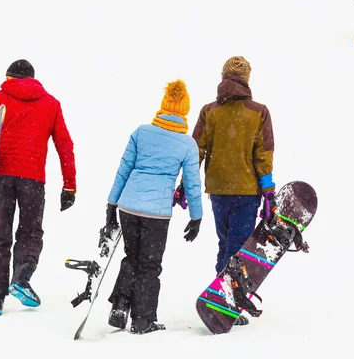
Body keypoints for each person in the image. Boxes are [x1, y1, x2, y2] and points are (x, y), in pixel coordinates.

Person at [178, 56, 276, 325]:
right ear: (246, 80)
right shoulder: (259, 112)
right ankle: (226, 302)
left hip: (219, 190)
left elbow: (195, 150)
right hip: (247, 191)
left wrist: (187, 184)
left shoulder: (210, 111)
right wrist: (269, 191)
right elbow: (263, 155)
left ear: (223, 78)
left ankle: (221, 297)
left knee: (226, 244)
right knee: (239, 249)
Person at [0, 59, 77, 316]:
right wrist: (69, 186)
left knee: (0, 236)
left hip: (1, 176)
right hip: (33, 180)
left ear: (11, 77)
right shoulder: (51, 103)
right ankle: (21, 277)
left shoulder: (2, 96)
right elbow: (64, 145)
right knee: (30, 233)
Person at [104, 79, 203, 334]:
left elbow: (123, 170)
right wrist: (196, 217)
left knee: (131, 256)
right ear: (184, 111)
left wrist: (111, 205)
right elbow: (192, 184)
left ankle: (120, 304)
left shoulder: (141, 132)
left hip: (128, 206)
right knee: (150, 264)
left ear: (163, 105)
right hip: (156, 214)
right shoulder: (187, 144)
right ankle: (142, 320)